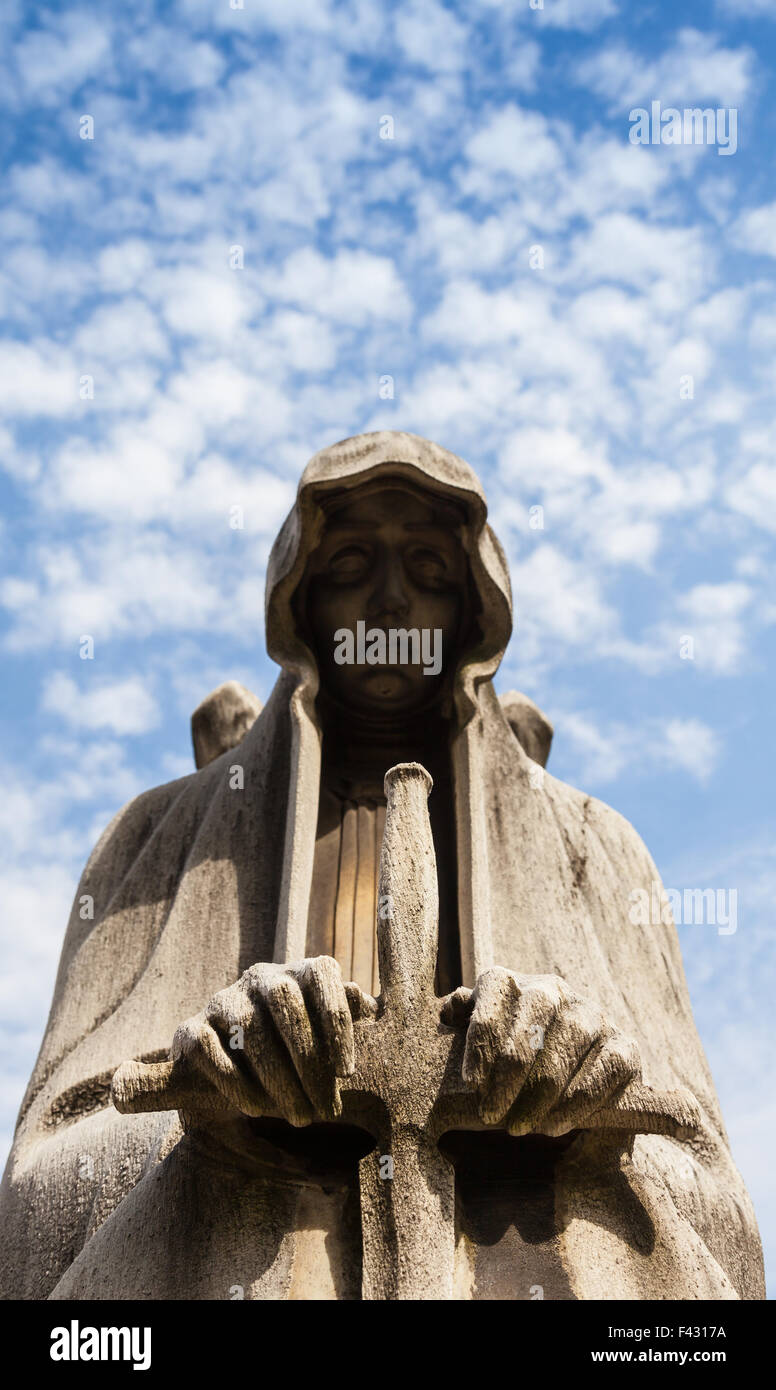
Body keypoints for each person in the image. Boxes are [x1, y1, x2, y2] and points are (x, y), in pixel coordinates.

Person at [0, 431, 764, 1300]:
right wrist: (214, 1096)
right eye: (354, 563)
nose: (392, 602)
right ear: (302, 599)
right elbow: (37, 1208)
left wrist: (591, 1107)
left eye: (430, 571)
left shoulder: (599, 849)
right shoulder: (161, 837)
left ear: (475, 613)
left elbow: (723, 1224)